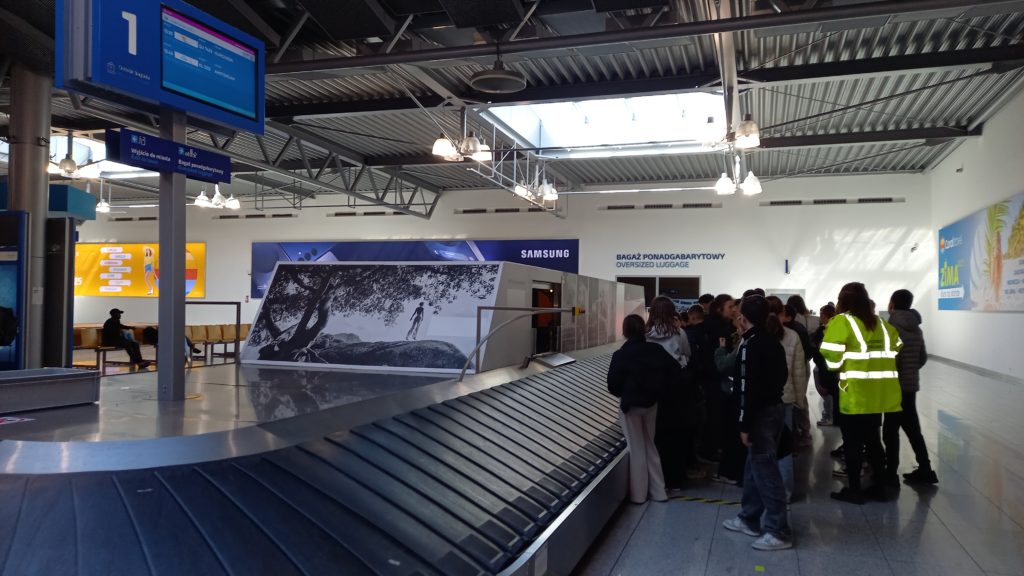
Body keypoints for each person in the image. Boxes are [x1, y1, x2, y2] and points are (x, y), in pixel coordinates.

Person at [821, 282, 903, 504]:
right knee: (873, 440)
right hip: (880, 395)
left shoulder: (842, 322)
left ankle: (855, 490)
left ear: (842, 301)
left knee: (852, 443)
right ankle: (880, 487)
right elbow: (897, 347)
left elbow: (831, 359)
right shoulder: (882, 324)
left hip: (855, 394)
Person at [722, 295, 793, 551]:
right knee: (754, 468)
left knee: (766, 471)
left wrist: (744, 424)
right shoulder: (771, 341)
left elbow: (746, 388)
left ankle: (778, 530)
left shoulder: (750, 345)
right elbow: (781, 376)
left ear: (744, 317)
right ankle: (749, 518)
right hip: (772, 409)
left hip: (760, 416)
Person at [607, 314, 682, 504]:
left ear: (625, 332)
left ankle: (639, 495)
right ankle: (659, 492)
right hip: (652, 403)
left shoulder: (621, 355)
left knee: (636, 448)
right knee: (650, 444)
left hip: (631, 405)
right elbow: (675, 371)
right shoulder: (655, 350)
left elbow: (612, 385)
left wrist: (626, 391)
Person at [883, 289, 937, 485]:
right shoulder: (917, 328)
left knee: (890, 431)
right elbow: (922, 357)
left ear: (892, 304)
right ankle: (926, 469)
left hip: (894, 386)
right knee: (913, 429)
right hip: (910, 386)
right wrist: (910, 371)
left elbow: (892, 360)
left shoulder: (891, 327)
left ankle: (891, 473)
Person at [646, 296, 696, 488]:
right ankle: (675, 478)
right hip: (676, 390)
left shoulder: (645, 334)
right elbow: (687, 355)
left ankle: (657, 480)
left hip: (653, 389)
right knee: (675, 435)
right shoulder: (679, 333)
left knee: (656, 435)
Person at [766, 308, 807, 502]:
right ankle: (785, 491)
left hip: (763, 400)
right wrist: (799, 399)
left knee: (762, 447)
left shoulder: (755, 336)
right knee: (784, 447)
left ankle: (765, 489)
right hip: (786, 398)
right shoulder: (793, 336)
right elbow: (799, 372)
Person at [779, 304, 813, 445]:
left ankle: (799, 434)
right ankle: (801, 434)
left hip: (778, 391)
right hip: (790, 385)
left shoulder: (791, 332)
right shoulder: (796, 331)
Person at [810, 304, 839, 427]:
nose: (820, 317)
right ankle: (832, 417)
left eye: (822, 314)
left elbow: (819, 350)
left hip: (825, 366)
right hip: (830, 366)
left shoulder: (824, 331)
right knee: (831, 392)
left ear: (826, 316)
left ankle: (830, 417)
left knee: (827, 392)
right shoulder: (835, 329)